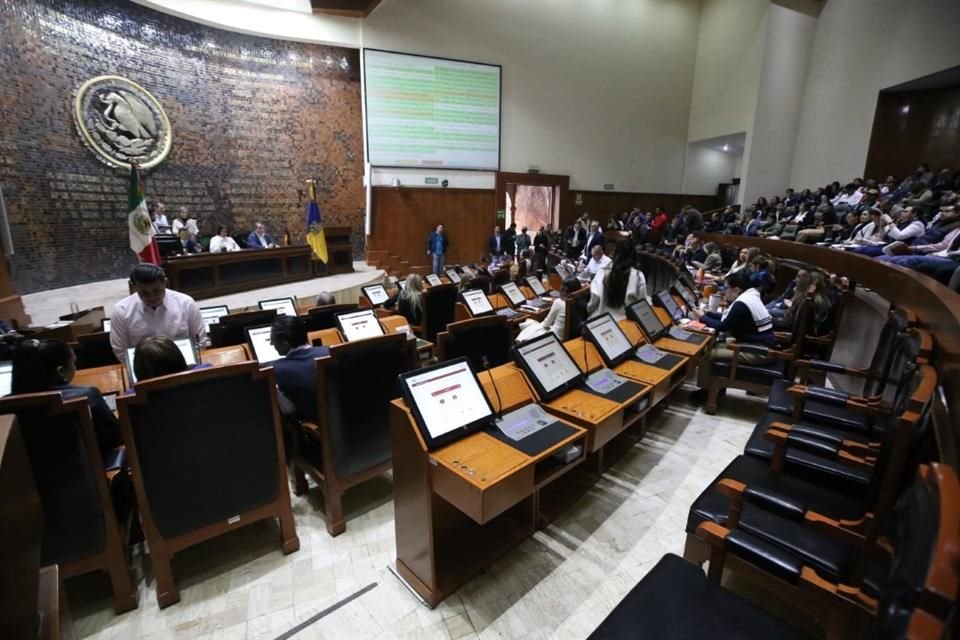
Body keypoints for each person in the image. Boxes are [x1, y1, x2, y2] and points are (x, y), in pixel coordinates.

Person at [11, 339, 121, 462]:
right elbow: (115, 437)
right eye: (73, 363)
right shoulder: (86, 395)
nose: (75, 367)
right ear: (61, 371)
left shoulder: (6, 407)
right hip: (88, 475)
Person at [691, 269, 775, 403]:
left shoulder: (742, 303)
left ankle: (706, 392)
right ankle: (716, 388)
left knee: (707, 353)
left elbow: (723, 326)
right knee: (717, 344)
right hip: (761, 346)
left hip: (759, 352)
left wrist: (702, 318)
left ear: (736, 290)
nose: (724, 292)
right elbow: (729, 319)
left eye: (726, 288)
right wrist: (707, 314)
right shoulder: (750, 296)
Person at [109, 264, 206, 362]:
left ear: (165, 283)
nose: (152, 297)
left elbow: (200, 341)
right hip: (143, 369)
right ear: (133, 287)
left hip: (185, 362)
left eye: (157, 291)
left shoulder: (186, 303)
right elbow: (121, 350)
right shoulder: (121, 311)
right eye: (144, 293)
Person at [269, 315, 330, 422]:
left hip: (322, 428)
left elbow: (288, 409)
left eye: (273, 341)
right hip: (351, 422)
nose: (271, 344)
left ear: (285, 344)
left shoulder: (277, 370)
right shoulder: (329, 351)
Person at [587, 239, 649, 321]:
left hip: (602, 322)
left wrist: (590, 312)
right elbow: (642, 304)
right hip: (627, 323)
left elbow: (593, 301)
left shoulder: (602, 272)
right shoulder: (637, 276)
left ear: (615, 253)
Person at [516, 277, 581, 342]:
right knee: (531, 323)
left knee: (528, 323)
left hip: (555, 337)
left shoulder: (559, 302)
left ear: (562, 289)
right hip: (570, 336)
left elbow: (546, 324)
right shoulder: (580, 300)